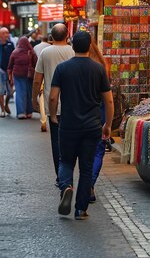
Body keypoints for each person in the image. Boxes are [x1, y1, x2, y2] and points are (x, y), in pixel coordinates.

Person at [49, 31, 114, 220]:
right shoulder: (98, 69)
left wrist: (53, 116)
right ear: (89, 46)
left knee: (66, 161)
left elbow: (53, 96)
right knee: (86, 167)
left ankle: (66, 186)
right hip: (92, 125)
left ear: (72, 45)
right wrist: (107, 125)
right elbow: (109, 101)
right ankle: (81, 209)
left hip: (68, 124)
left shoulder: (62, 69)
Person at [32, 24, 74, 173]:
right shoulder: (74, 52)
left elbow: (37, 79)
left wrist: (34, 99)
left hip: (53, 105)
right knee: (71, 141)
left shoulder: (45, 53)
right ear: (67, 35)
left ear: (52, 36)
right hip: (73, 105)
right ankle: (68, 173)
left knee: (56, 141)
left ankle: (60, 175)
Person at [88, 35, 109, 203]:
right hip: (99, 112)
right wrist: (108, 123)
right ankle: (90, 184)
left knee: (83, 152)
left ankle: (81, 184)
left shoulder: (71, 65)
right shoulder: (101, 65)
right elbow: (107, 98)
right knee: (98, 151)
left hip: (81, 114)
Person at [7, 36, 37, 119]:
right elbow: (36, 63)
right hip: (29, 75)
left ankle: (21, 112)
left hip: (18, 75)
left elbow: (10, 65)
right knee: (29, 93)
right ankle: (29, 112)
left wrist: (9, 75)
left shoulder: (15, 52)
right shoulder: (31, 51)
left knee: (20, 93)